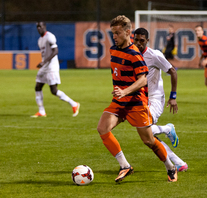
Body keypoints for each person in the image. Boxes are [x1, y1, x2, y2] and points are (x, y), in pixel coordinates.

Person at [97, 15, 177, 183]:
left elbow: (143, 80)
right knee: (103, 128)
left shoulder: (135, 54)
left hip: (135, 102)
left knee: (148, 140)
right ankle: (125, 166)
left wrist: (125, 91)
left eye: (117, 33)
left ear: (128, 33)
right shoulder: (114, 50)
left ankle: (170, 167)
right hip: (120, 101)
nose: (115, 37)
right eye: (113, 33)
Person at [133, 27, 188, 172]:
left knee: (146, 131)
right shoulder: (131, 54)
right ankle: (179, 163)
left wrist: (173, 96)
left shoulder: (154, 55)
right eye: (136, 40)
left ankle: (167, 128)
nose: (138, 43)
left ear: (147, 41)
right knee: (149, 138)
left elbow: (173, 71)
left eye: (142, 41)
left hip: (155, 98)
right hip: (141, 99)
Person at [31, 21, 80, 117]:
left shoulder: (50, 36)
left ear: (44, 26)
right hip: (45, 67)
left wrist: (44, 62)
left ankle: (74, 104)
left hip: (51, 67)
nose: (39, 28)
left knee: (54, 90)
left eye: (40, 26)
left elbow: (55, 51)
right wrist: (43, 62)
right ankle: (41, 111)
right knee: (37, 87)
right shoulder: (40, 40)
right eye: (37, 27)